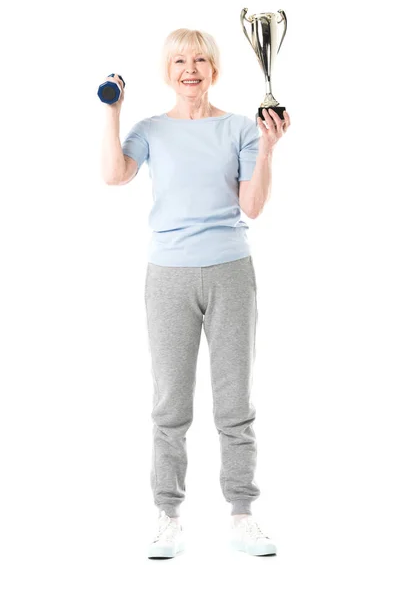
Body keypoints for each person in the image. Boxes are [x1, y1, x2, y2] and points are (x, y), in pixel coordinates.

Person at [101, 28, 290, 559]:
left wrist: (269, 146)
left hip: (231, 271)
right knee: (169, 405)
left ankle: (243, 514)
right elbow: (114, 175)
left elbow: (252, 206)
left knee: (235, 404)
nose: (191, 68)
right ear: (168, 71)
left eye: (201, 59)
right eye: (180, 60)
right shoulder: (150, 129)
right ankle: (167, 516)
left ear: (214, 68)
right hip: (168, 277)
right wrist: (112, 112)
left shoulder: (239, 129)